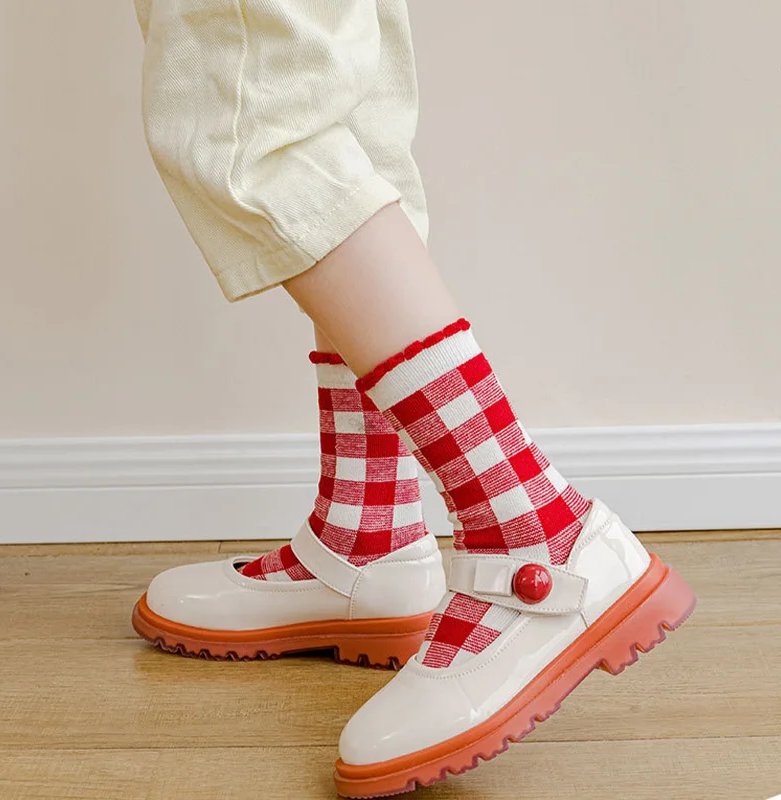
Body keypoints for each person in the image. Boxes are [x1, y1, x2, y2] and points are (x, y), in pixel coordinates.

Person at [130, 1, 697, 796]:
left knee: (250, 122)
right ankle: (367, 535)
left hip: (537, 545)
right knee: (336, 112)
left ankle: (530, 529)